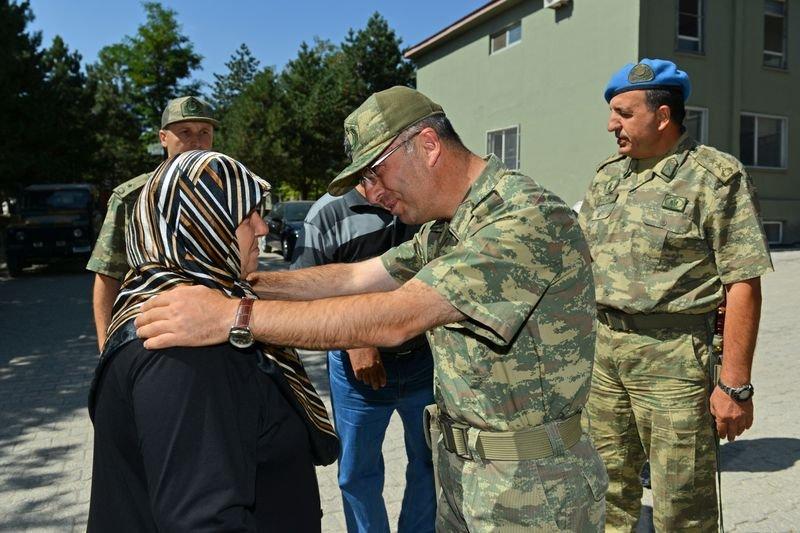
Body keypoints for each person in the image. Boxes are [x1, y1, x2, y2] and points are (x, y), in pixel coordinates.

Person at [134, 86, 608, 531]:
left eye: (375, 172)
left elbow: (396, 317)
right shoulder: (450, 227)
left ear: (426, 145)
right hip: (472, 478)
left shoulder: (523, 221)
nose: (374, 192)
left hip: (538, 491)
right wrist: (244, 284)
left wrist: (232, 317)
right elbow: (354, 277)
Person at [87, 151, 338, 532]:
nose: (263, 228)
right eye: (246, 216)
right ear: (201, 224)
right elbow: (204, 520)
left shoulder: (169, 305)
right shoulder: (185, 348)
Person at [577, 59, 773, 531]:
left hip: (676, 361)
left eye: (623, 113)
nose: (611, 125)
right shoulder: (607, 177)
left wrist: (734, 385)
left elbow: (743, 281)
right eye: (612, 113)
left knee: (682, 504)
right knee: (602, 489)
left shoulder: (715, 177)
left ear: (662, 116)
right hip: (605, 355)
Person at [291, 184, 436, 532]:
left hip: (423, 361)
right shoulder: (327, 214)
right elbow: (299, 292)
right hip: (355, 374)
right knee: (357, 473)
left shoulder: (423, 198)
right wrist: (353, 336)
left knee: (430, 462)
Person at [86, 96, 217, 350]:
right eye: (185, 132)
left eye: (204, 132)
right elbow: (108, 275)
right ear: (163, 138)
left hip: (215, 332)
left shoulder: (225, 194)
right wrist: (105, 347)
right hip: (151, 338)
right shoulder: (132, 197)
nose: (197, 142)